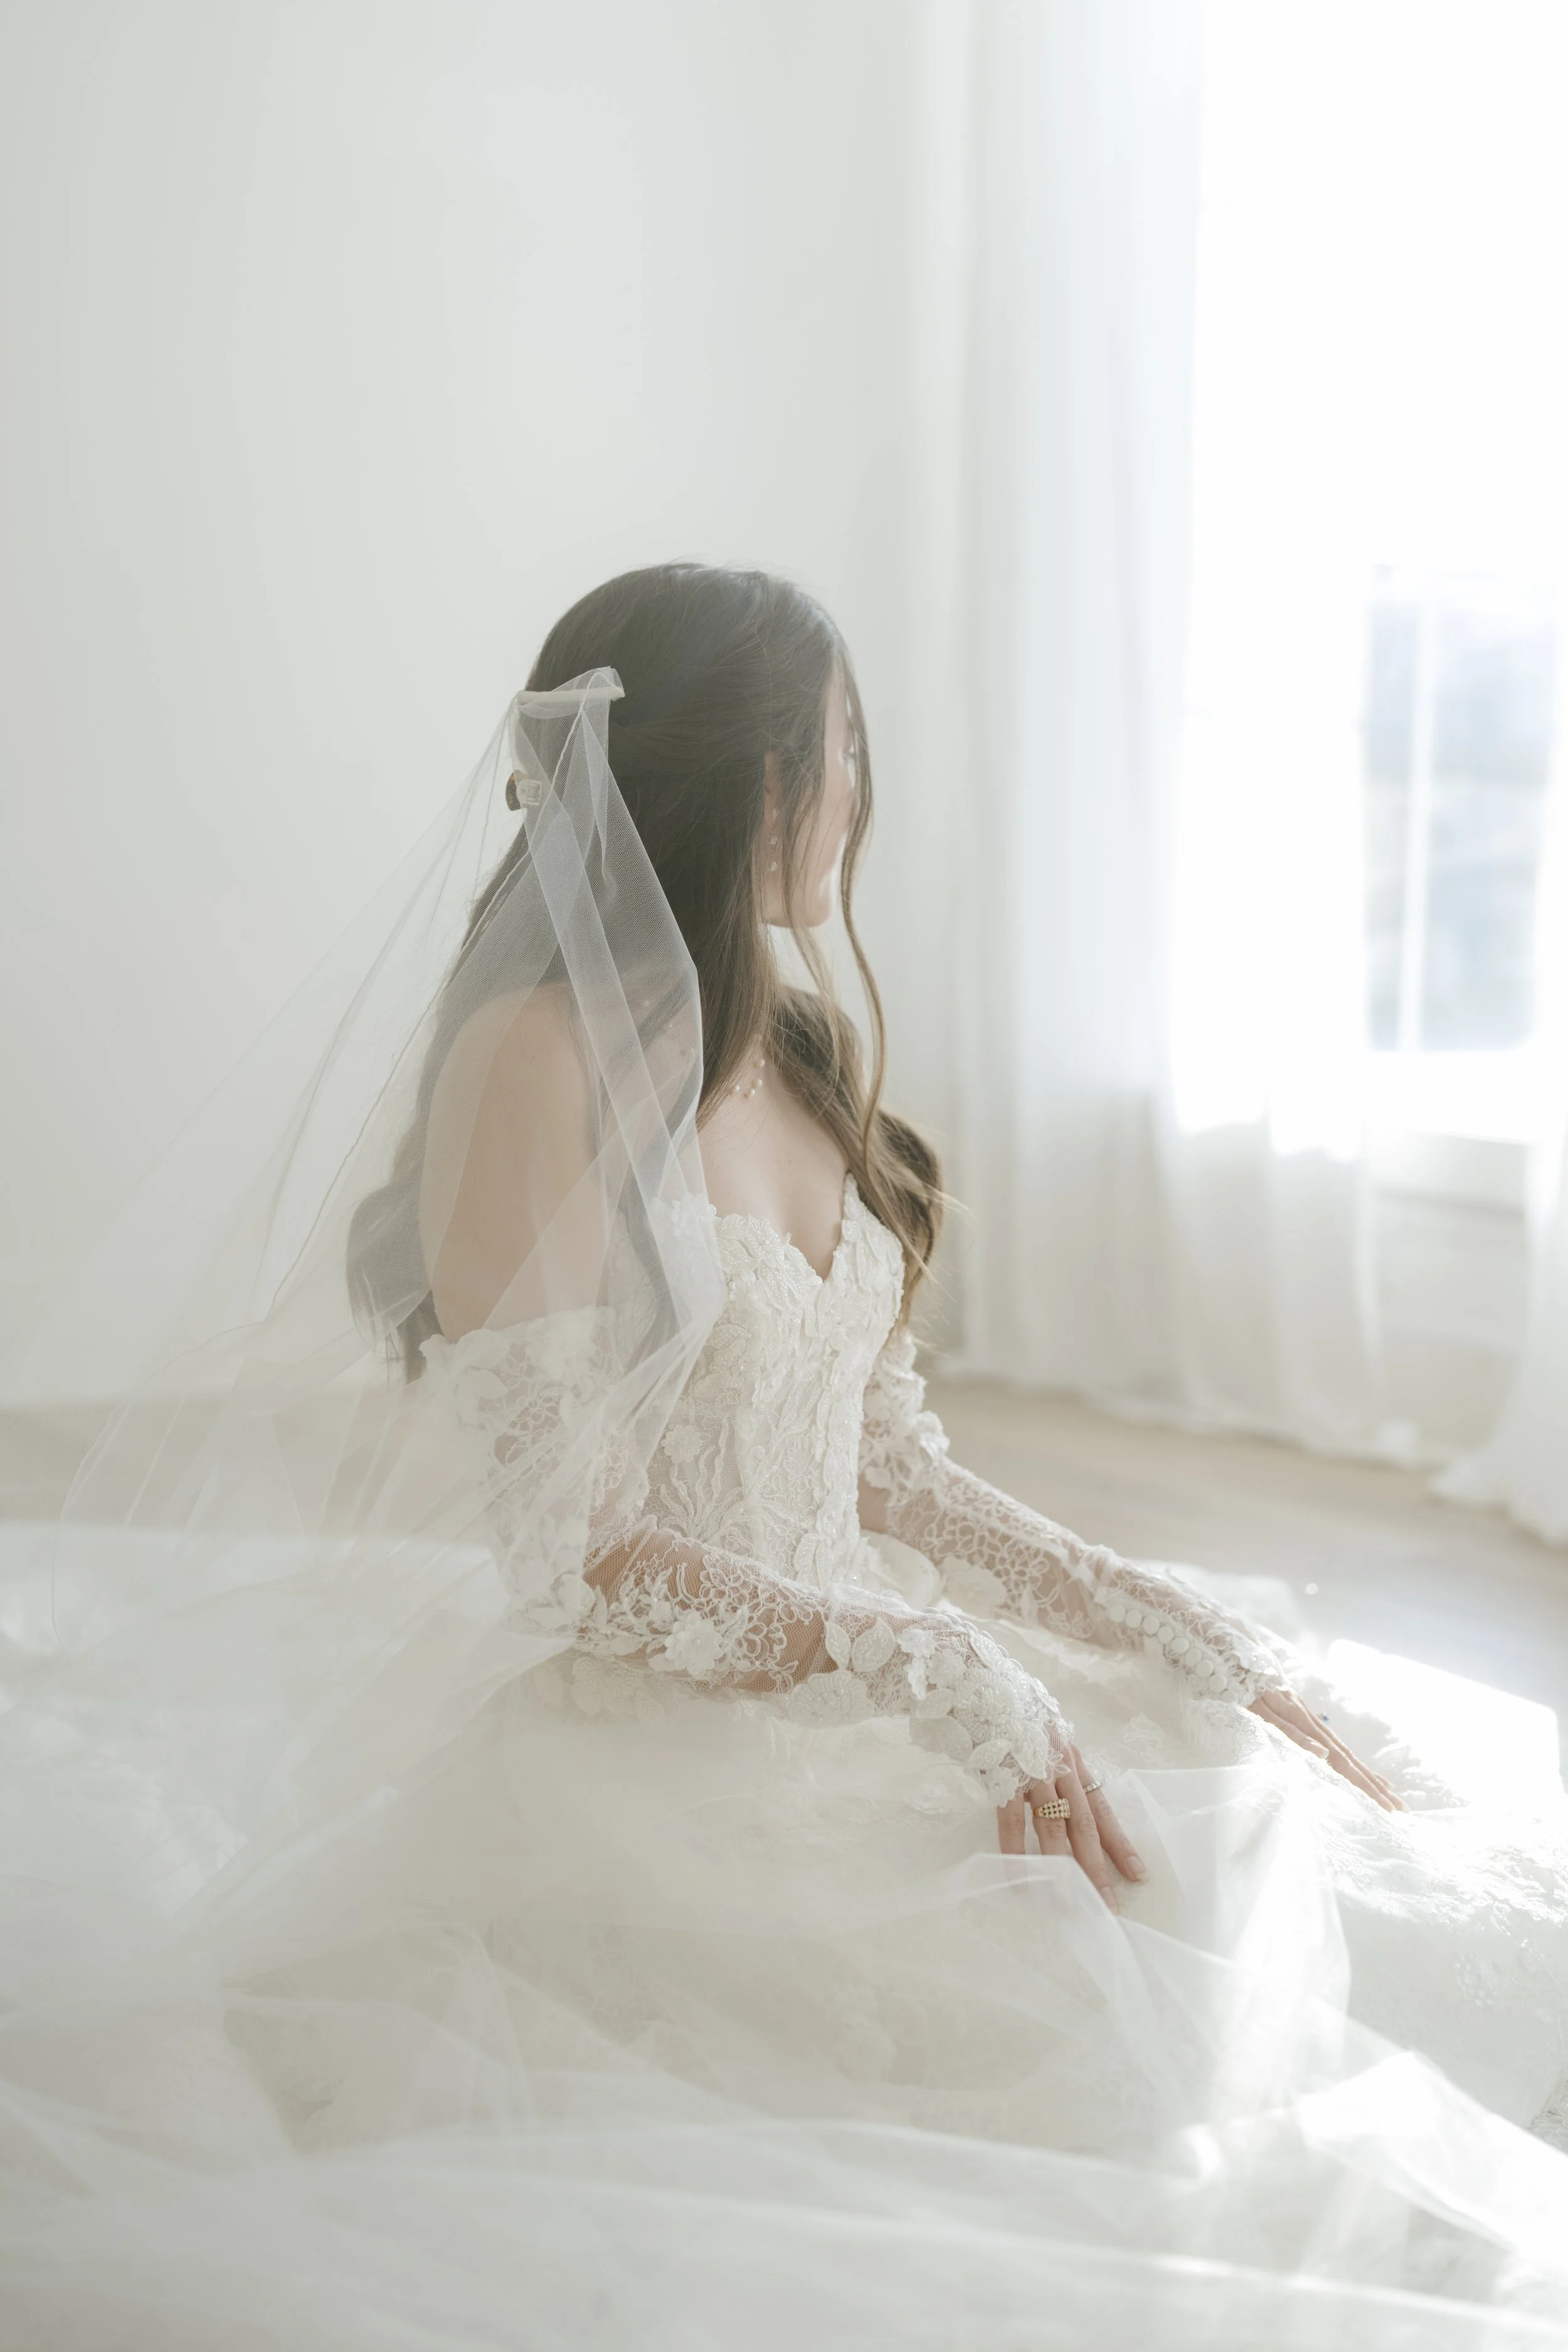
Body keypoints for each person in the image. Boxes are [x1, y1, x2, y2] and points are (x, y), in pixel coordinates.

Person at [3, 563, 1567, 2348]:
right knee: (1096, 2002)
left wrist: (1131, 1606)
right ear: (742, 770)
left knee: (1252, 1803)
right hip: (675, 1737)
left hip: (868, 1641)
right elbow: (569, 1549)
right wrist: (906, 1655)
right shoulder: (534, 1060)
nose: (859, 792)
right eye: (838, 743)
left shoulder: (793, 1048)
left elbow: (881, 1466)